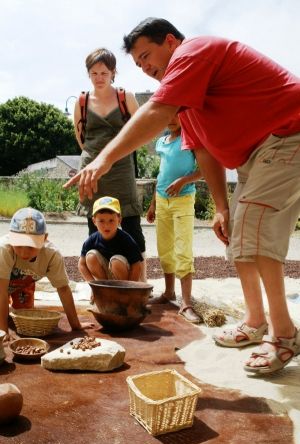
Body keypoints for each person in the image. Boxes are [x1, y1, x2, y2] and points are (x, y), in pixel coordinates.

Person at [65, 18, 300, 375]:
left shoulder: (194, 52)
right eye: (139, 65)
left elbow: (156, 111)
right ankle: (255, 321)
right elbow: (205, 153)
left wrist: (103, 159)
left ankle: (284, 334)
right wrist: (221, 207)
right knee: (238, 233)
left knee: (253, 229)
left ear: (171, 41)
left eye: (147, 56)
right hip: (255, 155)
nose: (146, 68)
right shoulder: (187, 103)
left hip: (288, 133)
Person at [73, 47, 146, 281]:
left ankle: (139, 281)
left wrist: (115, 154)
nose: (99, 78)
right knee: (95, 225)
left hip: (121, 167)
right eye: (94, 73)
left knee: (132, 222)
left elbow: (139, 131)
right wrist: (92, 161)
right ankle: (101, 283)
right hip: (92, 172)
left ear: (113, 72)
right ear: (88, 74)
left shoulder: (126, 97)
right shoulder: (82, 101)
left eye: (104, 73)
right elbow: (81, 138)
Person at [0, 208, 91, 338]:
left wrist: (76, 325)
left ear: (44, 238)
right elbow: (1, 291)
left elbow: (63, 289)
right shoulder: (4, 249)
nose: (24, 252)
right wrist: (3, 333)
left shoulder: (52, 255)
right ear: (10, 236)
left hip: (22, 284)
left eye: (31, 246)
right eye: (19, 245)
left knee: (23, 318)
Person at [146, 114, 201, 323]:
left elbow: (203, 170)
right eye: (166, 114)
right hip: (161, 200)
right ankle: (169, 293)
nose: (170, 118)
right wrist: (152, 204)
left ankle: (186, 303)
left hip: (184, 199)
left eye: (175, 114)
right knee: (164, 249)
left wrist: (183, 181)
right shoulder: (161, 142)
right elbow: (161, 175)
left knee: (182, 250)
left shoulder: (191, 137)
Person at [78, 196, 143, 284]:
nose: (106, 225)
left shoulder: (126, 239)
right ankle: (104, 288)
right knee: (90, 256)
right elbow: (81, 264)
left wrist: (130, 289)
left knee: (116, 262)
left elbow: (137, 265)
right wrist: (93, 285)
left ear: (119, 220)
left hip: (125, 278)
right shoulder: (92, 240)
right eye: (101, 221)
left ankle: (122, 291)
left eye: (111, 220)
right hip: (106, 276)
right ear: (94, 221)